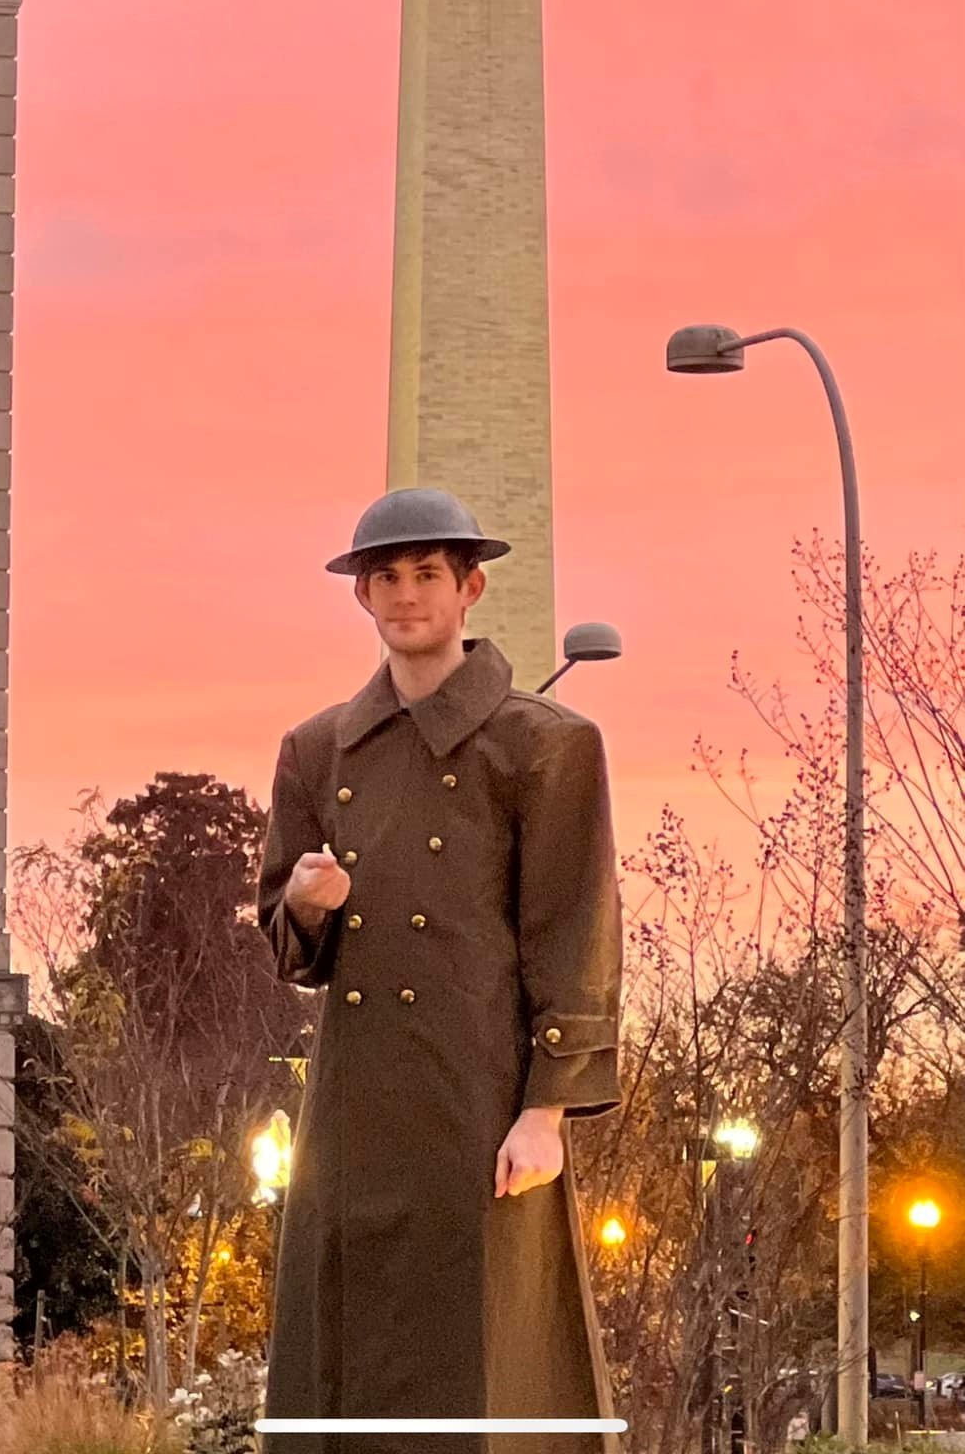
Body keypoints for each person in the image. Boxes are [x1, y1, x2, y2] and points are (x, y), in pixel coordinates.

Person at [256, 487, 622, 1454]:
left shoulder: (546, 744)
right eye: (388, 578)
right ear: (362, 598)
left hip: (481, 1102)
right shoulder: (314, 748)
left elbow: (574, 931)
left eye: (428, 575)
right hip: (350, 1107)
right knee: (343, 1363)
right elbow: (288, 946)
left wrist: (546, 1112)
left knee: (487, 1371)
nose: (407, 595)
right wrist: (304, 904)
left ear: (471, 589)